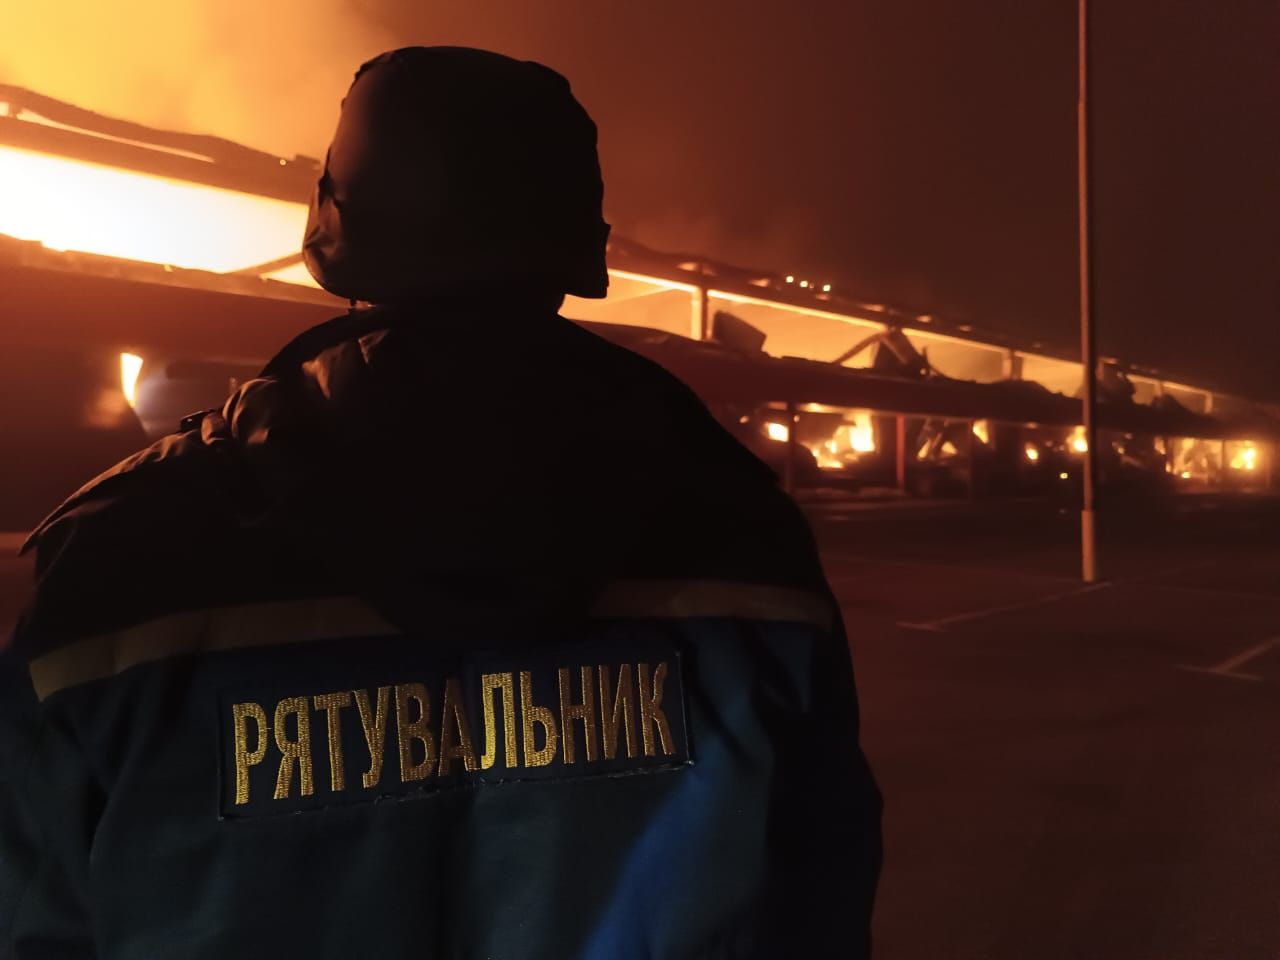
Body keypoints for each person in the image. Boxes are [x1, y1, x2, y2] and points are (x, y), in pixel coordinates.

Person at [1, 46, 880, 958]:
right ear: (578, 239)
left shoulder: (124, 554)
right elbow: (818, 892)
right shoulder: (743, 535)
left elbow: (33, 911)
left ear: (332, 224)